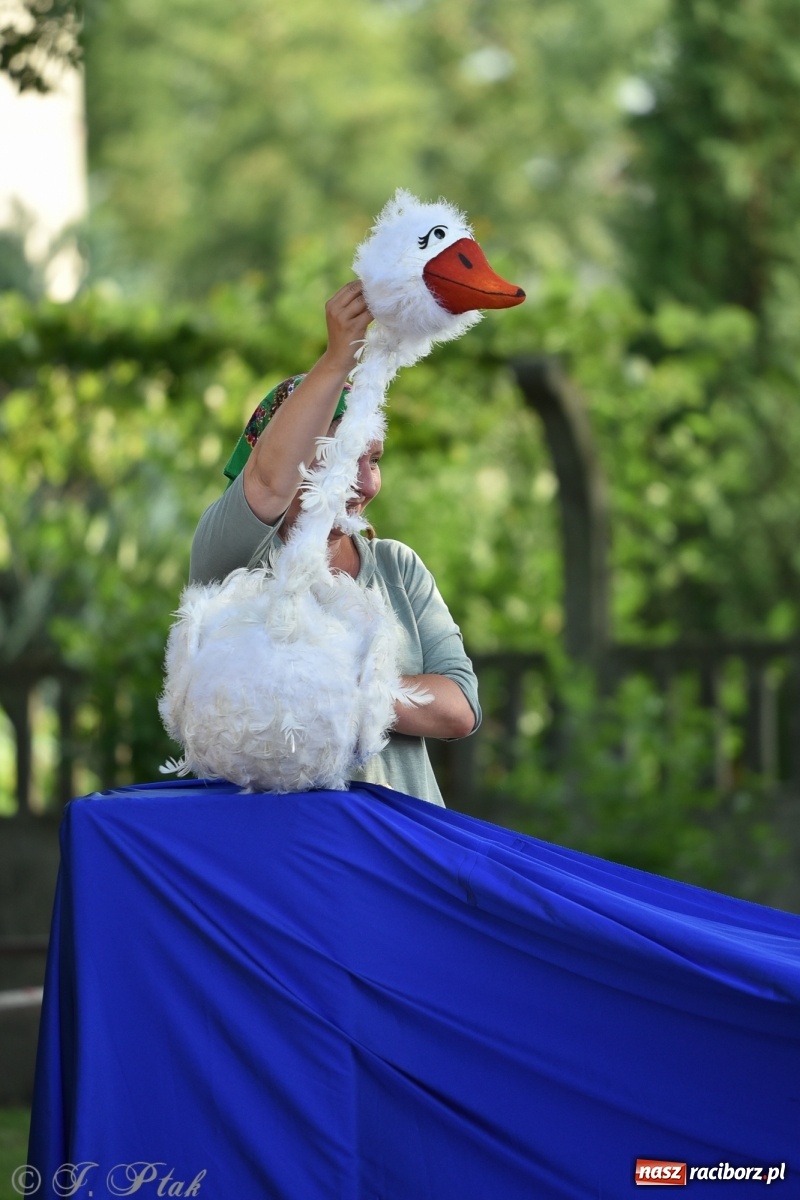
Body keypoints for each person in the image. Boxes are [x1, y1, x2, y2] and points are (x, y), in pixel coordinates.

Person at [189, 280, 480, 807]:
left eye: (375, 460)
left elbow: (457, 707)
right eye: (346, 457)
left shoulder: (397, 566)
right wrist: (337, 359)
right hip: (283, 865)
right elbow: (267, 484)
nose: (369, 484)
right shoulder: (233, 559)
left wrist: (331, 681)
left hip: (402, 859)